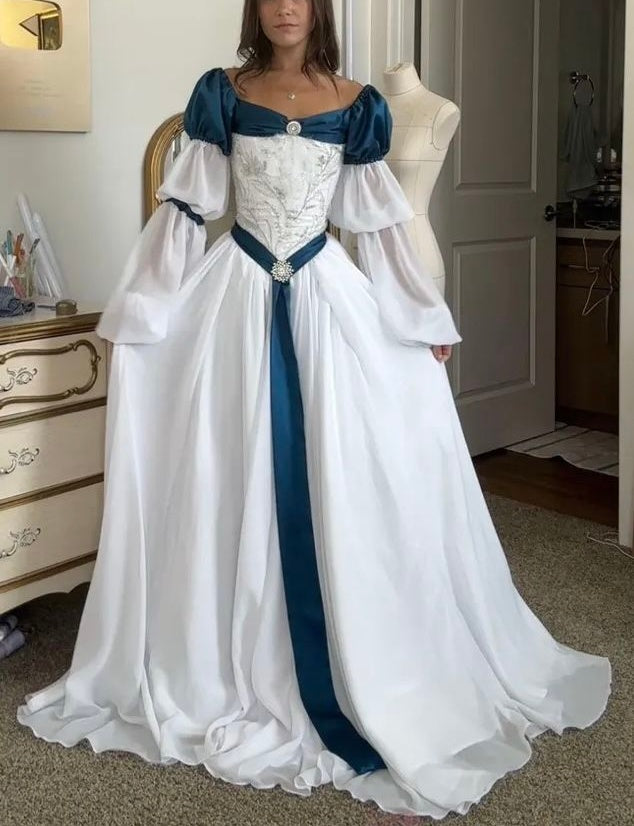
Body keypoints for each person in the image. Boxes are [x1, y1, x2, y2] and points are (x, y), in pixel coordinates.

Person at [17, 0, 611, 819]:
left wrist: (420, 317)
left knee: (355, 472)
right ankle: (230, 654)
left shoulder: (357, 103)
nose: (286, 6)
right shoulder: (223, 93)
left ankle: (365, 649)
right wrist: (141, 312)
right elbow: (186, 209)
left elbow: (380, 224)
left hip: (329, 294)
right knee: (231, 467)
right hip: (235, 294)